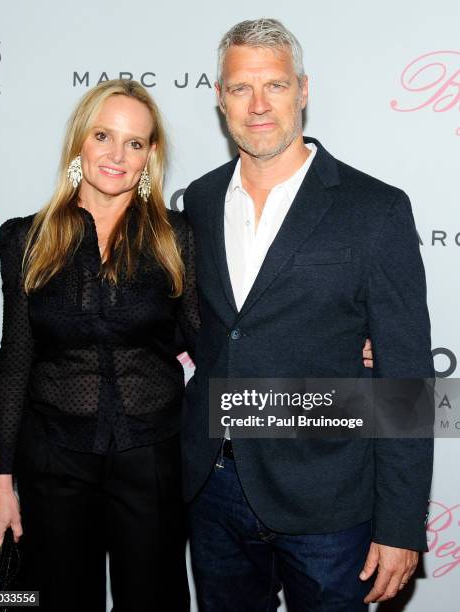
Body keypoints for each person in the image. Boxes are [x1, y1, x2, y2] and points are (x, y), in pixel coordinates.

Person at [182, 18, 434, 611]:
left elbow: (406, 381)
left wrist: (399, 525)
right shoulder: (199, 198)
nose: (258, 105)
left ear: (303, 89)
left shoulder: (375, 209)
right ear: (220, 98)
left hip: (329, 499)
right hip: (213, 488)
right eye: (241, 88)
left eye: (275, 85)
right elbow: (208, 328)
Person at [0, 79, 199, 612]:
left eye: (134, 142)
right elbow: (15, 359)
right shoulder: (24, 238)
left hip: (151, 455)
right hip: (53, 458)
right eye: (104, 135)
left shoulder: (177, 237)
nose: (116, 155)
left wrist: (327, 349)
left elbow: (213, 339)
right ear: (80, 141)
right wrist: (1, 484)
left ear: (150, 156)